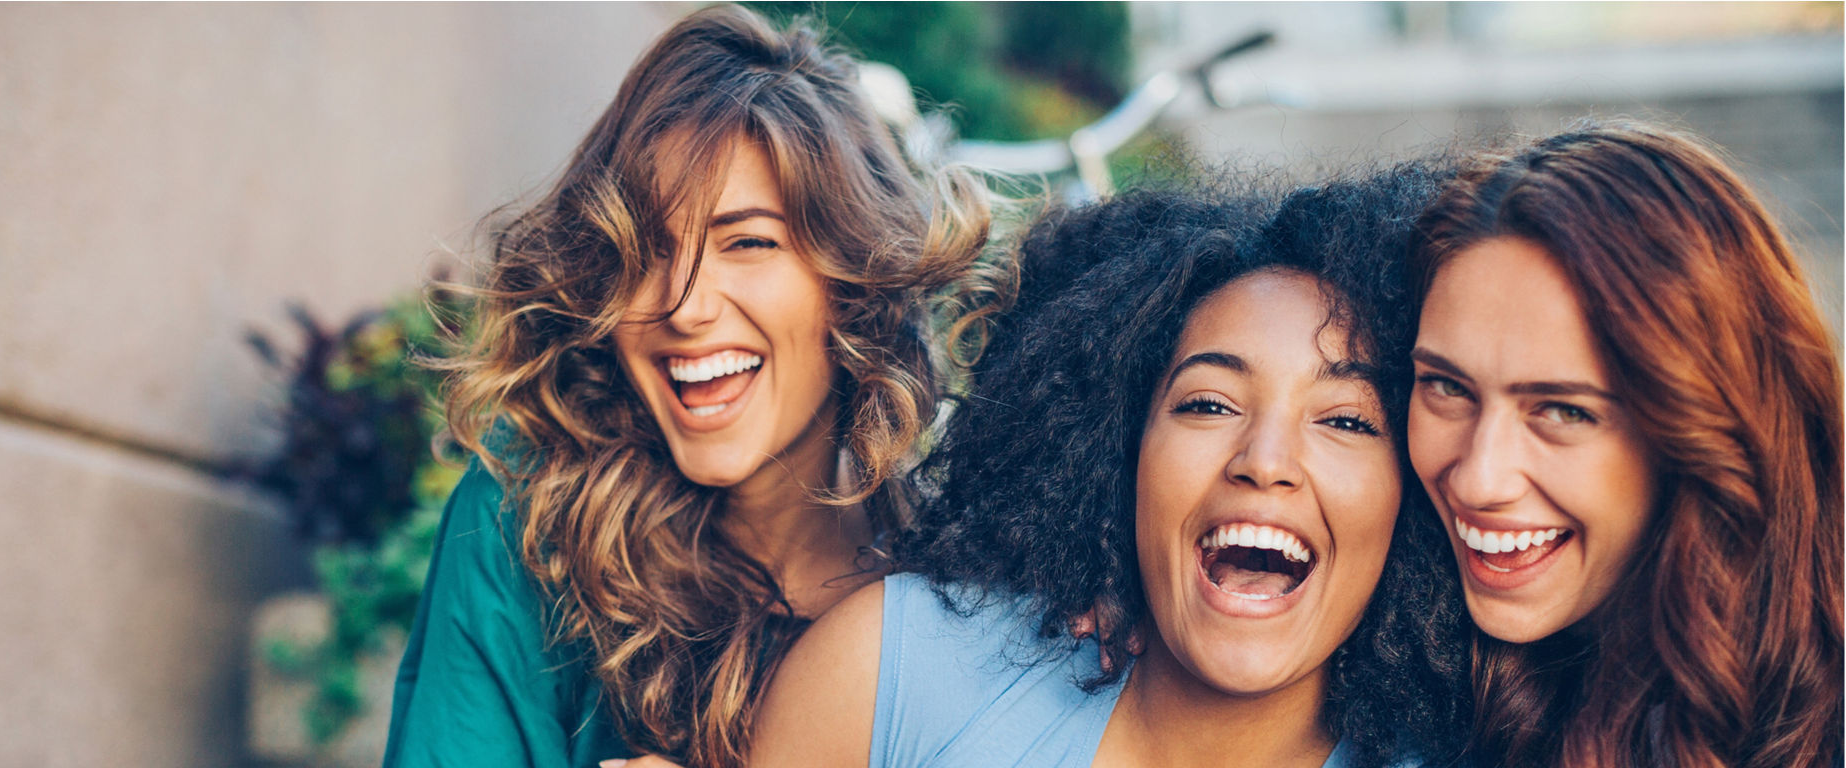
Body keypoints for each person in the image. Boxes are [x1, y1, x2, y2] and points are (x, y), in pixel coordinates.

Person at [382, 6, 1007, 768]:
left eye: (748, 243)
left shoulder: (961, 592)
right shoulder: (529, 520)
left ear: (852, 283)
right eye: (643, 250)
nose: (684, 308)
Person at [750, 169, 1471, 768]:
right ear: (1119, 451)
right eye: (1210, 404)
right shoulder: (890, 675)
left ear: (1410, 497)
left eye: (1346, 420)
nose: (1266, 462)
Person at [1406, 123, 1843, 767]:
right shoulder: (1411, 678)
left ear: (1701, 427)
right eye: (1446, 386)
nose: (1479, 479)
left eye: (1562, 410)